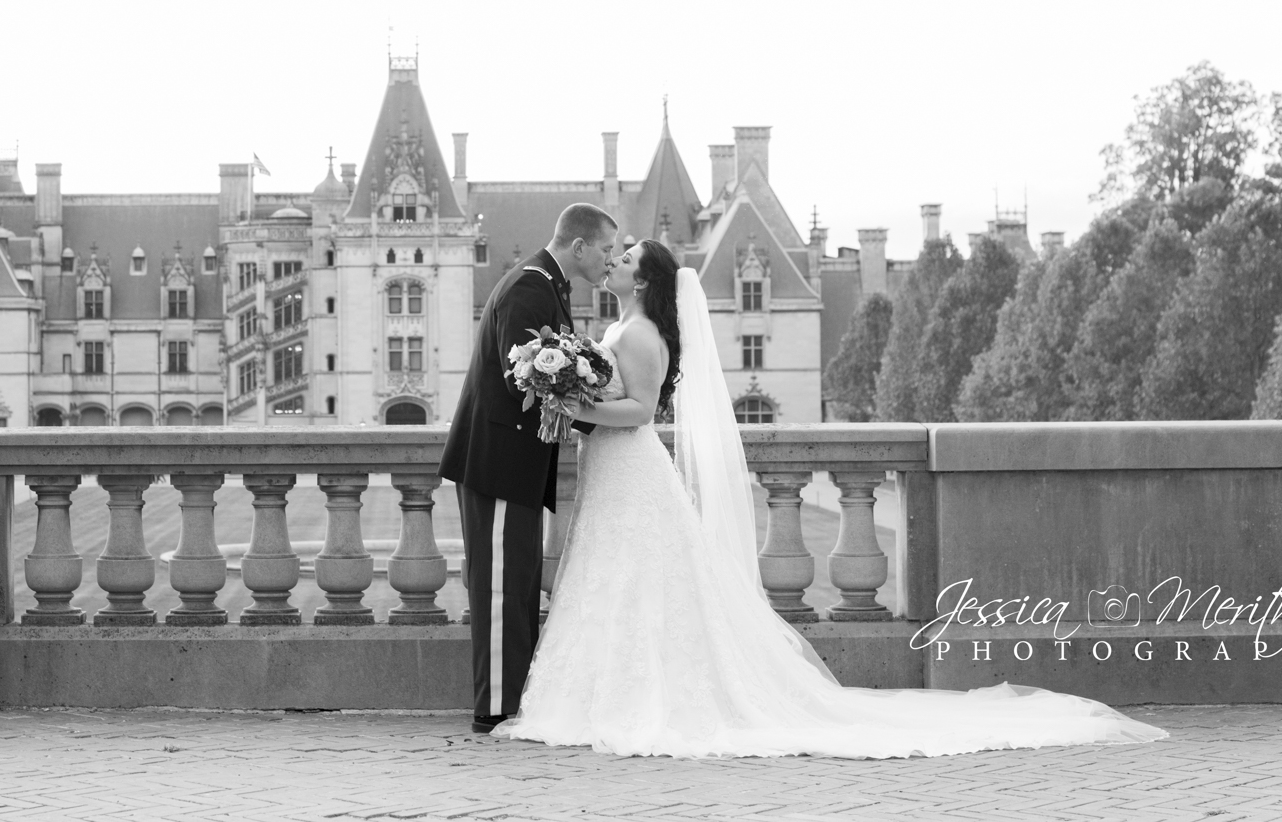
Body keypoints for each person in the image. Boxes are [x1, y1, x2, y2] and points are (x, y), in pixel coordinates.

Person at [493, 238, 1168, 759]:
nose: (612, 262)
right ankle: (606, 693)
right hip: (616, 472)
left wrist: (577, 398)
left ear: (642, 280)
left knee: (634, 581)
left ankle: (616, 699)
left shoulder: (637, 334)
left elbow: (639, 412)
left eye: (626, 258)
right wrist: (575, 396)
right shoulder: (625, 328)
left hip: (630, 467)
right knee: (620, 584)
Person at [439, 203, 618, 735]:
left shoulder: (546, 285)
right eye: (607, 248)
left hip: (510, 463)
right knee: (500, 589)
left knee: (514, 584)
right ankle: (495, 708)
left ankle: (509, 702)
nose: (610, 259)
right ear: (579, 245)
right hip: (497, 462)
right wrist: (602, 420)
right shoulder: (530, 287)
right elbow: (528, 381)